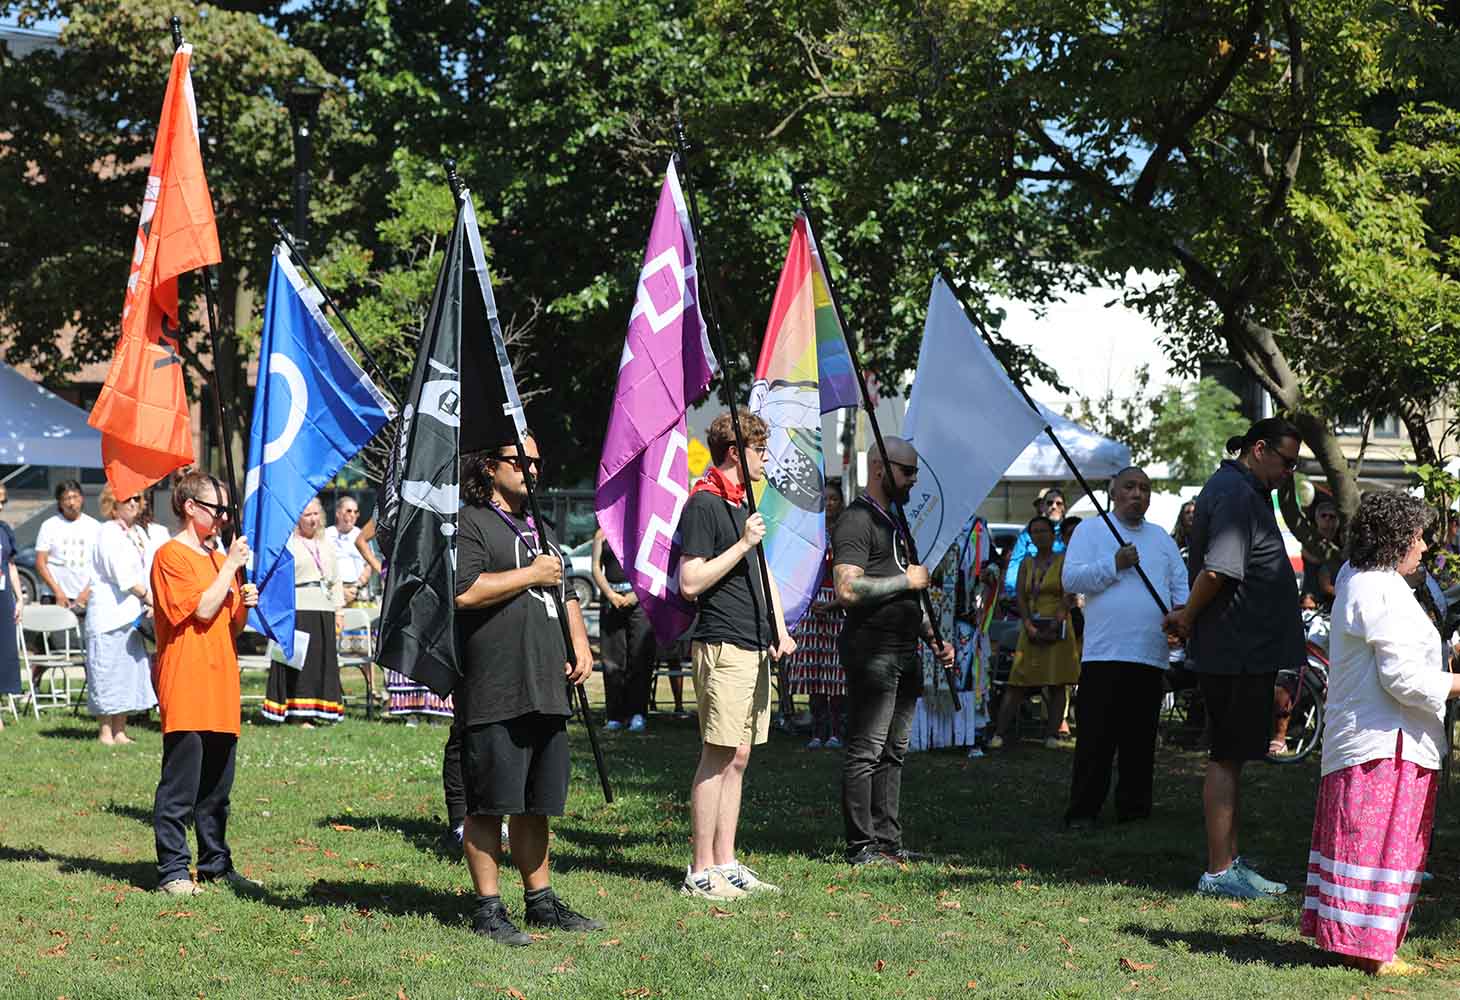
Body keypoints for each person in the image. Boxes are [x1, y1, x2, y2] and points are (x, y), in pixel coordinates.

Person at [1301, 491, 1460, 976]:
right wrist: (1455, 683)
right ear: (1394, 540)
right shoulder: (1377, 587)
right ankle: (1367, 949)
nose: (1424, 547)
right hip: (1383, 741)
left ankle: (1362, 942)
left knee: (1370, 844)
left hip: (1384, 737)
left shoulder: (1366, 578)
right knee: (1375, 844)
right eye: (1417, 537)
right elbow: (1402, 679)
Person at [453, 434, 600, 946]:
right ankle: (488, 909)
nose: (531, 470)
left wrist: (580, 641)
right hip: (496, 683)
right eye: (521, 461)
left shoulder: (543, 525)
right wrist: (530, 573)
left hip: (546, 682)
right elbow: (465, 591)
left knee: (536, 803)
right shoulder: (471, 521)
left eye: (537, 461)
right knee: (490, 802)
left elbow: (565, 587)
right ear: (491, 466)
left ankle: (540, 902)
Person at [1163, 417, 1304, 899]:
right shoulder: (1237, 493)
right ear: (1259, 449)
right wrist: (1186, 617)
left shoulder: (1245, 490)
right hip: (1234, 649)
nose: (1290, 472)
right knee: (1225, 756)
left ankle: (1229, 862)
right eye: (1286, 462)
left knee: (1235, 756)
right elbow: (1218, 570)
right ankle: (1220, 872)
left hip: (1246, 648)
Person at [678, 411, 793, 899]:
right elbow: (690, 582)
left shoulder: (743, 503)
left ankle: (726, 861)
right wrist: (742, 541)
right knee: (718, 753)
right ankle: (700, 869)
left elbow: (761, 574)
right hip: (722, 641)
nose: (765, 459)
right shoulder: (704, 505)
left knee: (740, 756)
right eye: (760, 450)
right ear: (735, 453)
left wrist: (780, 628)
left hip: (753, 642)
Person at [833, 437, 955, 865]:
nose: (914, 480)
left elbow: (905, 588)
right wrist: (907, 583)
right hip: (873, 652)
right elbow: (847, 588)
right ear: (881, 470)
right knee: (867, 748)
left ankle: (888, 842)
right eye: (908, 471)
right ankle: (861, 846)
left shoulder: (894, 520)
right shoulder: (856, 519)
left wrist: (932, 637)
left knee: (894, 751)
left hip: (905, 650)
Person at [150, 471, 261, 896]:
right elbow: (198, 610)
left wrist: (243, 601)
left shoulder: (218, 559)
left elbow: (228, 624)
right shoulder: (170, 556)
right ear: (191, 507)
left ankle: (216, 863)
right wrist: (230, 566)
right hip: (187, 681)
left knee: (217, 789)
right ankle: (173, 870)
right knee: (180, 786)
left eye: (227, 511)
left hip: (221, 683)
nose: (224, 519)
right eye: (218, 510)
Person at [1061, 467, 1189, 826]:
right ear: (1113, 493)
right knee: (1095, 740)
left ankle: (1134, 810)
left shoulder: (1161, 539)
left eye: (1145, 489)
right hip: (1104, 654)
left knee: (1140, 741)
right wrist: (1113, 564)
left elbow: (1182, 591)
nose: (1138, 494)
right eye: (1130, 487)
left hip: (1149, 655)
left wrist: (1181, 618)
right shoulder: (1091, 530)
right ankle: (1084, 810)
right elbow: (1071, 579)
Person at [989, 516, 1081, 750]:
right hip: (1030, 624)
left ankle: (1051, 734)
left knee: (1057, 682)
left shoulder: (1064, 560)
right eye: (1035, 532)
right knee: (1017, 680)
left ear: (1053, 535)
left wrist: (1055, 621)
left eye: (1044, 531)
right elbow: (1020, 595)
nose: (1039, 535)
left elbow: (1068, 594)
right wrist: (1028, 623)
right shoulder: (1026, 563)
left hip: (1058, 624)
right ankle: (999, 733)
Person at [84, 486, 158, 745]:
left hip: (131, 616)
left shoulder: (138, 533)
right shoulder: (107, 533)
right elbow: (124, 577)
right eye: (129, 499)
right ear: (113, 505)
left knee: (127, 673)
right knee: (106, 672)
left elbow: (146, 570)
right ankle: (105, 732)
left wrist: (149, 600)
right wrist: (152, 599)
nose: (136, 503)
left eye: (138, 499)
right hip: (108, 616)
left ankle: (120, 731)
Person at [262, 498, 345, 726]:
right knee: (300, 664)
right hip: (298, 608)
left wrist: (339, 610)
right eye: (308, 515)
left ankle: (322, 709)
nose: (313, 519)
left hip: (324, 608)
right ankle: (298, 714)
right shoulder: (289, 544)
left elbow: (336, 579)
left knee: (321, 664)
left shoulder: (326, 543)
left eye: (317, 514)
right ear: (298, 517)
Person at [786, 482, 847, 749]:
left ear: (841, 503)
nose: (830, 503)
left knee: (835, 673)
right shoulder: (810, 533)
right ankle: (816, 731)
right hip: (810, 603)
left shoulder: (847, 534)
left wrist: (835, 602)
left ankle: (835, 731)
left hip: (838, 603)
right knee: (813, 672)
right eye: (826, 499)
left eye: (834, 499)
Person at [592, 525, 655, 733]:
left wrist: (636, 595)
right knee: (612, 662)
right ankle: (615, 715)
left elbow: (652, 567)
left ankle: (637, 713)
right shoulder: (601, 534)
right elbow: (595, 568)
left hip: (639, 601)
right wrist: (610, 595)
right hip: (612, 601)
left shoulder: (642, 530)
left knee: (639, 658)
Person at [35, 479, 98, 613]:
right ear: (59, 502)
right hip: (53, 596)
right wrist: (58, 592)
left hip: (85, 598)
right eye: (66, 499)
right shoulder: (49, 525)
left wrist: (86, 593)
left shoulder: (95, 527)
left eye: (75, 497)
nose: (71, 503)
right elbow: (41, 563)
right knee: (53, 633)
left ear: (81, 498)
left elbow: (100, 567)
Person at [1003, 487, 1067, 598]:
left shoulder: (1071, 531)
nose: (1054, 507)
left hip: (1062, 597)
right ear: (1043, 507)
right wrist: (1013, 594)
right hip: (1032, 598)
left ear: (1064, 508)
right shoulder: (1027, 533)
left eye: (1058, 503)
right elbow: (1015, 564)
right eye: (1050, 503)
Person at [0, 483, 23, 724]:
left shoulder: (4, 529)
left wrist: (19, 598)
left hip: (3, 597)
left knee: (3, 652)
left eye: (3, 501)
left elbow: (11, 565)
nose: (0, 506)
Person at [326, 495, 372, 605]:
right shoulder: (327, 534)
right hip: (332, 593)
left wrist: (356, 586)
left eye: (355, 512)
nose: (352, 515)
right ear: (338, 513)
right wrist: (338, 590)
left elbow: (369, 565)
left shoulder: (362, 536)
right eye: (348, 511)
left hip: (357, 592)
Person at [1299, 497, 1342, 612]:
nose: (1327, 519)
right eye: (1324, 515)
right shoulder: (1310, 541)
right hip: (1312, 601)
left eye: (1332, 516)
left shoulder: (1342, 543)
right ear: (1317, 519)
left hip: (1335, 601)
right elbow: (1315, 560)